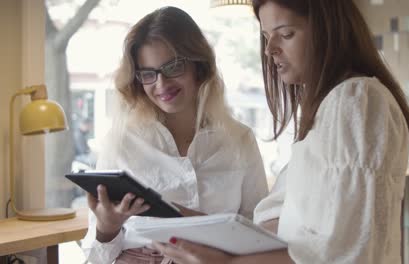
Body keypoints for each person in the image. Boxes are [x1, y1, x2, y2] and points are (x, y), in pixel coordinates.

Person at [152, 1, 409, 263]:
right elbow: (277, 227)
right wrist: (179, 219)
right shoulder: (325, 115)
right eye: (266, 37)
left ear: (328, 30)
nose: (269, 50)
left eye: (286, 34)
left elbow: (343, 251)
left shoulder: (357, 100)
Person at [80, 6, 268, 264]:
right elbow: (94, 258)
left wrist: (198, 230)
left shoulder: (239, 140)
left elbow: (259, 237)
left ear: (199, 67)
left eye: (173, 67)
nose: (161, 84)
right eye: (148, 73)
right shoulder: (122, 142)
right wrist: (107, 229)